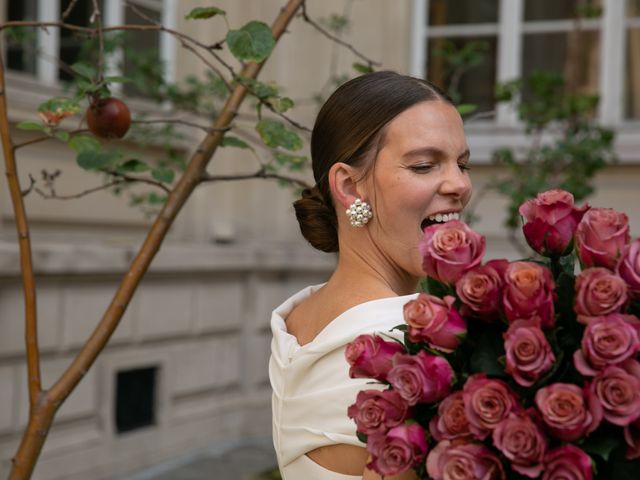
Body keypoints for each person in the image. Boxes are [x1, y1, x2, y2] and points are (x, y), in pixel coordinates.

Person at [269, 71, 472, 479]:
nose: (460, 185)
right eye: (424, 165)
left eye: (462, 164)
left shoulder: (298, 319)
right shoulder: (401, 344)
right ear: (348, 185)